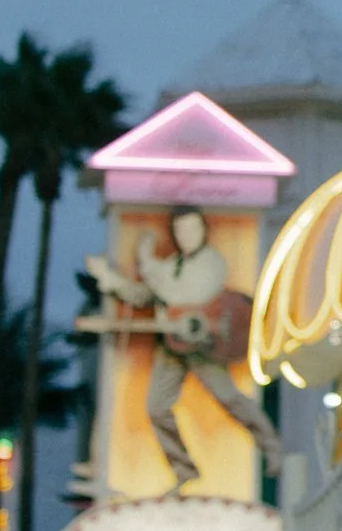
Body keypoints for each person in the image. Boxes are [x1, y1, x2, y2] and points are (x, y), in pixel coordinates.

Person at [83, 207, 273, 490]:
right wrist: (110, 279)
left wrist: (147, 261)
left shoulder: (211, 262)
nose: (187, 236)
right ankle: (184, 469)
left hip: (205, 346)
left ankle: (272, 448)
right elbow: (146, 295)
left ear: (203, 232)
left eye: (193, 229)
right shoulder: (170, 267)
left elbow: (177, 294)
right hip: (172, 346)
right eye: (181, 230)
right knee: (157, 408)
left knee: (229, 398)